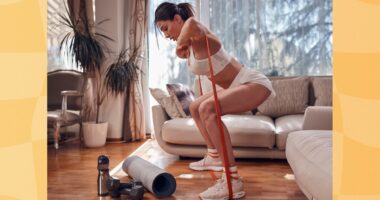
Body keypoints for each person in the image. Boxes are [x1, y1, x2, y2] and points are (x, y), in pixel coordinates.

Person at [155, 2, 276, 199]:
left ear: (177, 19)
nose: (166, 35)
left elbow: (192, 22)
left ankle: (232, 181)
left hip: (253, 83)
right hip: (239, 86)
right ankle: (213, 156)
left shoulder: (198, 33)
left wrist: (180, 45)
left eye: (165, 28)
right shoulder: (192, 44)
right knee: (195, 107)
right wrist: (184, 47)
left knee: (207, 108)